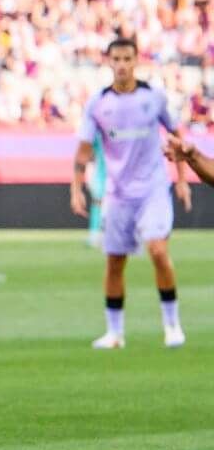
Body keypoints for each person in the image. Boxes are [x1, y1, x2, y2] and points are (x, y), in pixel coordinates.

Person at [70, 37, 191, 349]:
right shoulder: (98, 103)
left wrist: (181, 179)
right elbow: (83, 150)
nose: (122, 65)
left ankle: (172, 325)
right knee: (114, 262)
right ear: (109, 62)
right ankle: (115, 333)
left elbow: (179, 140)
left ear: (136, 61)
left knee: (158, 251)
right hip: (119, 193)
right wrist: (75, 187)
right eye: (116, 59)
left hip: (153, 189)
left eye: (127, 59)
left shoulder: (154, 98)